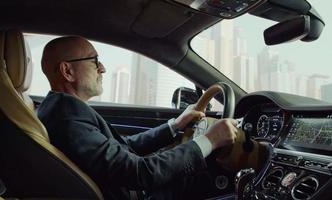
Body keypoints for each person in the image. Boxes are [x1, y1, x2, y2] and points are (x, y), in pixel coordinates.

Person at [37, 36, 238, 200]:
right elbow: (139, 172)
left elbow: (121, 146)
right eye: (94, 61)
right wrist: (210, 140)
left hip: (130, 188)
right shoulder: (67, 117)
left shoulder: (63, 109)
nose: (103, 68)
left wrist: (174, 125)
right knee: (220, 181)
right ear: (67, 71)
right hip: (138, 193)